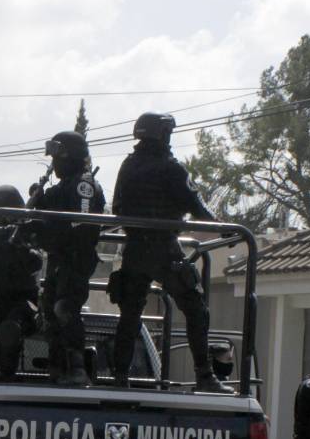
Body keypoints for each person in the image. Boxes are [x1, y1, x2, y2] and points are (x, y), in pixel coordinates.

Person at [110, 112, 230, 394]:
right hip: (164, 249)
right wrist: (224, 228)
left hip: (134, 249)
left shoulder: (127, 166)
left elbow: (117, 208)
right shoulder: (171, 168)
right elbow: (197, 206)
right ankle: (204, 375)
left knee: (130, 314)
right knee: (195, 307)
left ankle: (119, 378)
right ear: (162, 135)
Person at [28, 130, 106, 386]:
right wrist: (36, 203)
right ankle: (57, 366)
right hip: (58, 259)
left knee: (65, 309)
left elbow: (81, 225)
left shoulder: (84, 185)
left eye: (58, 158)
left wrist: (49, 232)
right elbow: (41, 215)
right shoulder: (60, 187)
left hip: (75, 258)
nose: (54, 164)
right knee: (49, 312)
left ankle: (77, 368)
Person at [0, 185, 43, 381]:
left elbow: (35, 262)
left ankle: (7, 375)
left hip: (25, 305)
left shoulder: (24, 232)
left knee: (10, 328)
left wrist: (19, 245)